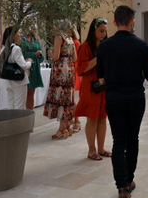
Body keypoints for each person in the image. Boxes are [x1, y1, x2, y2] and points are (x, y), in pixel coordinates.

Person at [96, 5, 148, 198]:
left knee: (119, 142)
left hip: (114, 99)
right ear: (132, 22)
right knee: (132, 139)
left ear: (114, 22)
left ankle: (122, 187)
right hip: (135, 98)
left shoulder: (104, 47)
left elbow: (100, 77)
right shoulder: (142, 45)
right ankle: (128, 181)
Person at [74, 18, 111, 161]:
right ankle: (91, 150)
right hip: (90, 86)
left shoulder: (106, 45)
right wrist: (98, 57)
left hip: (104, 85)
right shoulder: (85, 47)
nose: (103, 34)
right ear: (93, 30)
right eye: (101, 31)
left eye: (105, 31)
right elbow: (81, 69)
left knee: (102, 118)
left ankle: (101, 148)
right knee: (92, 119)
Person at [44, 21, 77, 140]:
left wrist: (50, 53)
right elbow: (75, 58)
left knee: (61, 97)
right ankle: (67, 126)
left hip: (60, 70)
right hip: (70, 69)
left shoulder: (59, 38)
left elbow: (56, 56)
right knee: (67, 98)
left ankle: (62, 129)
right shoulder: (70, 39)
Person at [0, 26, 32, 109]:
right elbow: (24, 65)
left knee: (10, 105)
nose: (21, 34)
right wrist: (29, 62)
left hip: (8, 80)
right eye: (19, 33)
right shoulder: (16, 49)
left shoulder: (3, 49)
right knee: (19, 106)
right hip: (18, 81)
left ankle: (11, 118)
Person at [19, 25, 44, 111]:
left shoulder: (35, 39)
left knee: (31, 92)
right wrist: (31, 55)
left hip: (35, 66)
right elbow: (18, 53)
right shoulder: (20, 39)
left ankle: (30, 113)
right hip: (24, 66)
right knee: (24, 92)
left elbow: (41, 57)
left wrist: (39, 53)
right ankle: (23, 113)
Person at [69, 26, 82, 130]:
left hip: (73, 70)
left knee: (71, 98)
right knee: (70, 98)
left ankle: (77, 120)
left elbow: (79, 59)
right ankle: (73, 118)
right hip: (69, 70)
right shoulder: (67, 41)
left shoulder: (76, 42)